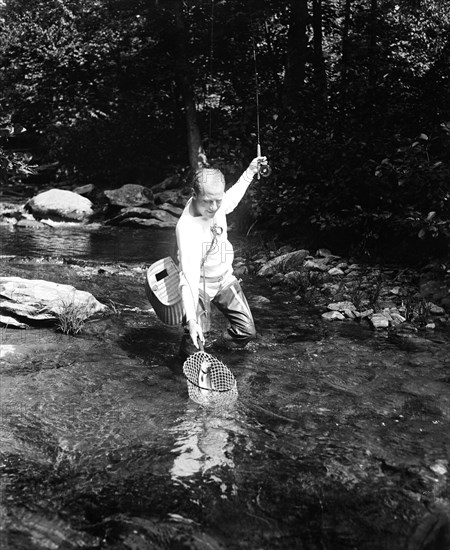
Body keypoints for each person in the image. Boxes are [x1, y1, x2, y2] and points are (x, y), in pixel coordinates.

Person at [176, 157, 266, 360]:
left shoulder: (216, 202)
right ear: (194, 195)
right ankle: (183, 368)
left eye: (218, 200)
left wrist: (250, 171)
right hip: (199, 284)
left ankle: (216, 352)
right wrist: (191, 319)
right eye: (208, 201)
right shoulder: (187, 228)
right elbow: (188, 277)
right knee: (195, 339)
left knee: (246, 331)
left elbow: (231, 199)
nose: (215, 207)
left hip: (224, 278)